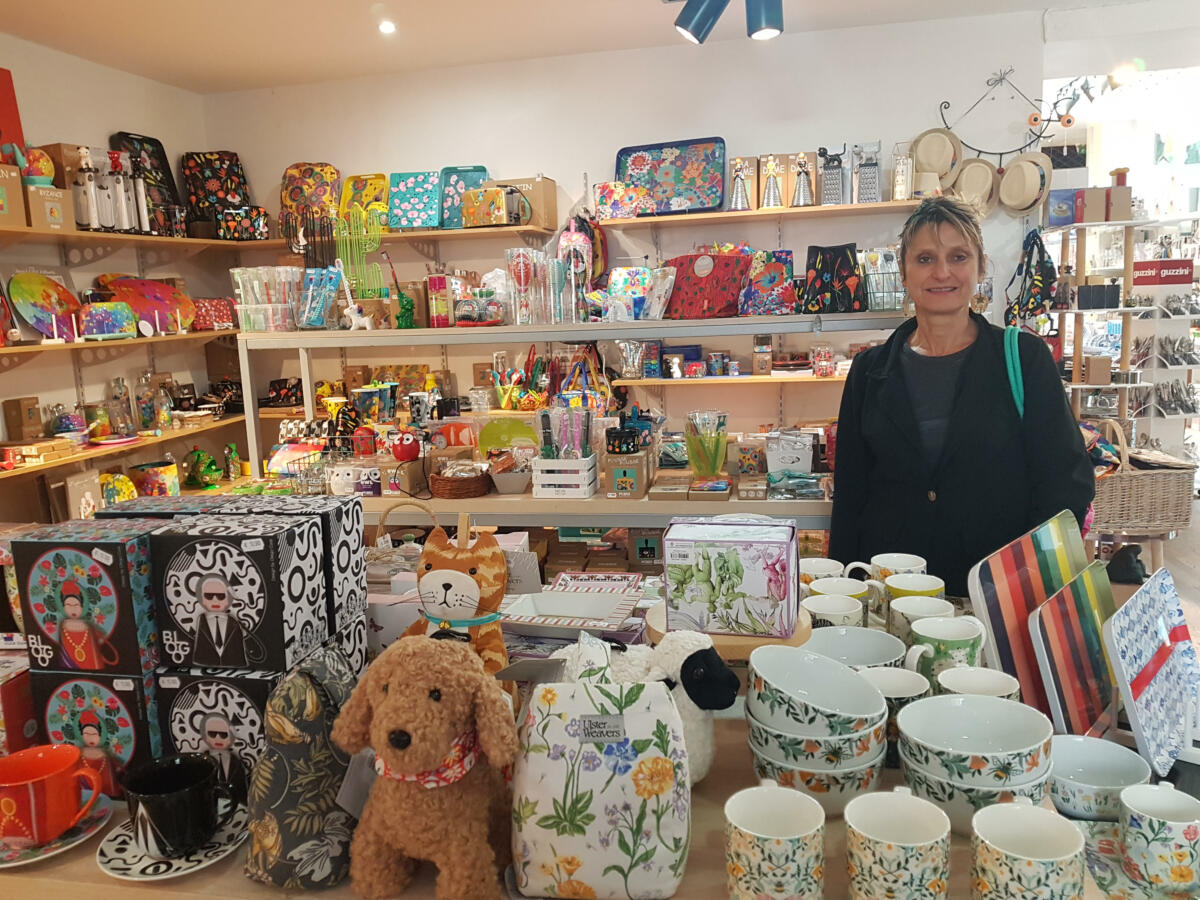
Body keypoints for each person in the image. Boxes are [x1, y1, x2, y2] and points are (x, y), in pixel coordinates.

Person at [830, 197, 1094, 597]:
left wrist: (1030, 584)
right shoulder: (869, 372)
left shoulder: (1023, 358)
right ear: (903, 271)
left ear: (980, 267)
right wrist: (843, 595)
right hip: (893, 594)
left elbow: (1066, 483)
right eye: (924, 259)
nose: (941, 272)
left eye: (958, 256)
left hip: (997, 595)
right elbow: (851, 498)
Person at [192, 576, 249, 667]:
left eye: (221, 596)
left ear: (228, 599)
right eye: (209, 596)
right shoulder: (199, 621)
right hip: (203, 665)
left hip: (234, 667)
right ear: (202, 599)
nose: (215, 600)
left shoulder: (234, 623)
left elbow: (239, 652)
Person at [201, 711, 247, 805]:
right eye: (212, 734)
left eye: (223, 734)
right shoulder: (201, 761)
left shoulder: (236, 762)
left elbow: (243, 790)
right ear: (206, 736)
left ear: (230, 737)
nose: (218, 738)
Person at [78, 711, 120, 796]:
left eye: (94, 734)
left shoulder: (106, 755)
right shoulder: (78, 754)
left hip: (108, 793)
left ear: (100, 736)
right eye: (86, 734)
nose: (90, 737)